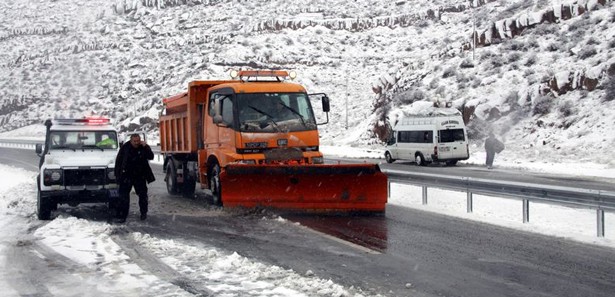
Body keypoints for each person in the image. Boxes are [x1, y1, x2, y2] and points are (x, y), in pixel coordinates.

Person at [114, 133, 155, 222]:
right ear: (131, 140)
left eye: (138, 141)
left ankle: (143, 213)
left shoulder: (143, 147)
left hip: (140, 175)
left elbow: (151, 156)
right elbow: (119, 162)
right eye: (134, 141)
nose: (136, 143)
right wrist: (117, 175)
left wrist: (146, 147)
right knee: (124, 196)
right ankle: (122, 215)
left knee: (143, 195)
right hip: (126, 175)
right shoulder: (125, 148)